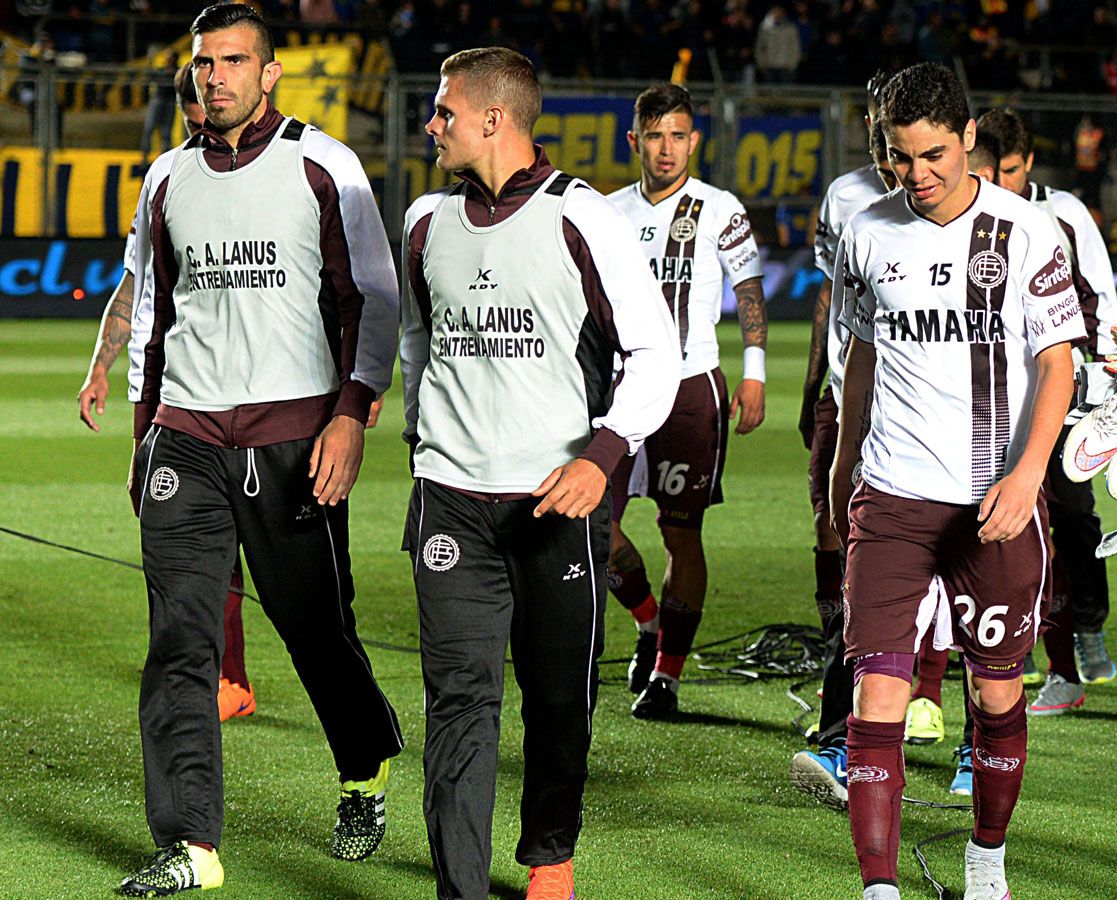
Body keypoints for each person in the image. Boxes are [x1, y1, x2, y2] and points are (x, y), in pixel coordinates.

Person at [117, 5, 404, 894]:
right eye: (205, 62)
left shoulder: (325, 165)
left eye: (235, 61)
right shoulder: (167, 177)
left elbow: (371, 297)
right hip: (187, 438)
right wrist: (145, 429)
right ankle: (191, 846)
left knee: (317, 629)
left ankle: (363, 768)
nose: (216, 77)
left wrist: (352, 412)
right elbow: (155, 313)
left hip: (293, 439)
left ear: (270, 72)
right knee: (180, 641)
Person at [399, 47, 679, 900]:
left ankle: (550, 854)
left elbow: (655, 353)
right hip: (451, 501)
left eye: (444, 111)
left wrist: (603, 456)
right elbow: (417, 343)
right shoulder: (424, 222)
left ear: (494, 118)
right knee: (459, 701)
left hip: (557, 503)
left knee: (559, 699)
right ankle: (459, 888)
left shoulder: (582, 217)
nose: (431, 125)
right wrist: (421, 441)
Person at [829, 62, 1084, 900]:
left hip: (992, 502)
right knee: (878, 696)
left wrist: (1028, 476)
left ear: (970, 137)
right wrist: (841, 464)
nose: (917, 174)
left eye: (934, 154)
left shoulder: (1028, 231)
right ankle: (879, 889)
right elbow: (861, 357)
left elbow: (1057, 364)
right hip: (892, 495)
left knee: (997, 692)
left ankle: (986, 861)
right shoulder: (866, 232)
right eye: (900, 157)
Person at [79, 62, 261, 725]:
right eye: (190, 119)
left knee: (275, 555)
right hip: (172, 391)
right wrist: (101, 365)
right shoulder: (166, 178)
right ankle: (214, 670)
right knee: (184, 533)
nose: (200, 127)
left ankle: (243, 674)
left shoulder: (270, 175)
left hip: (252, 391)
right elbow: (136, 283)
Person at [606, 83, 770, 718]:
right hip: (620, 389)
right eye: (655, 136)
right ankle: (648, 622)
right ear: (635, 141)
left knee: (681, 532)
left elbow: (748, 291)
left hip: (689, 388)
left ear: (694, 141)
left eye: (677, 135)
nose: (667, 148)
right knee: (593, 525)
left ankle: (667, 675)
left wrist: (754, 374)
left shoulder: (720, 209)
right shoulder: (607, 212)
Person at [978, 108, 1117, 725]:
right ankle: (1026, 648)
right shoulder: (972, 217)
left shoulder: (1060, 215)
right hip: (996, 398)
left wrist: (1104, 377)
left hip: (1066, 388)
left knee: (1073, 519)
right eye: (993, 172)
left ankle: (1083, 630)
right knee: (1007, 523)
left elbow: (1102, 296)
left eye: (1011, 170)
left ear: (1028, 164)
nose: (1002, 182)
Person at [790, 70, 897, 810]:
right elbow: (831, 298)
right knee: (836, 526)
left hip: (920, 413)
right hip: (845, 389)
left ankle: (927, 707)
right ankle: (845, 702)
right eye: (877, 123)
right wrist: (811, 384)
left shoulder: (964, 207)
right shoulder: (846, 199)